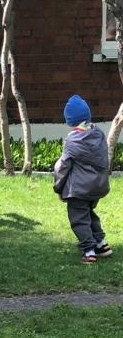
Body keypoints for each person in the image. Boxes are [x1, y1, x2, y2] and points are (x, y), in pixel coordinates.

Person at [54, 95, 112, 263]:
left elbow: (62, 166)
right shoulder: (99, 134)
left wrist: (58, 187)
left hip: (79, 190)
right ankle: (101, 244)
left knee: (78, 218)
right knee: (88, 214)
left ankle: (89, 251)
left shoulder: (73, 140)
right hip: (97, 186)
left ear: (70, 120)